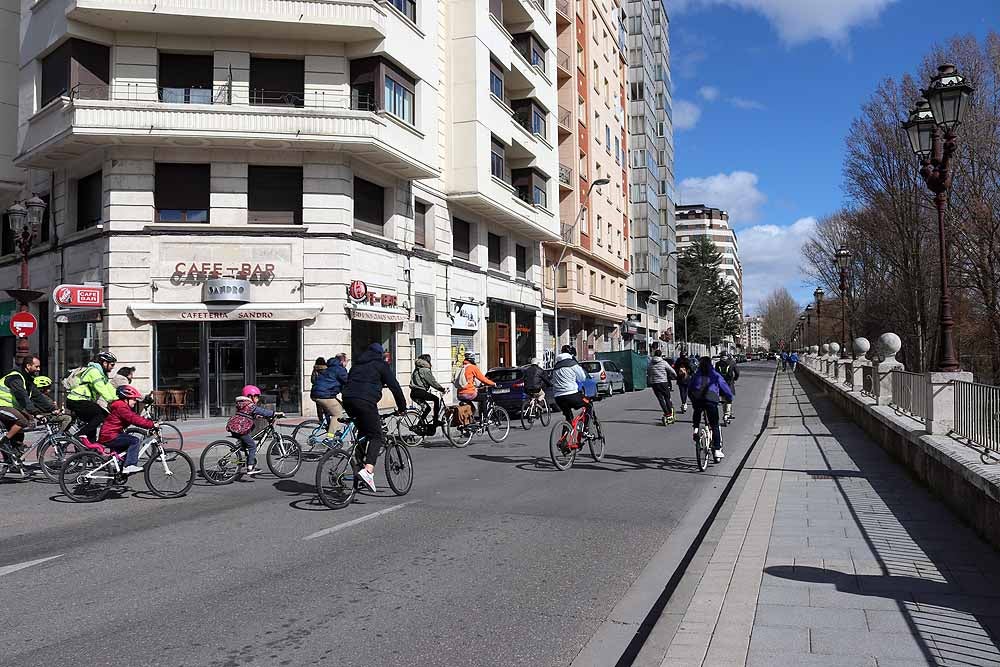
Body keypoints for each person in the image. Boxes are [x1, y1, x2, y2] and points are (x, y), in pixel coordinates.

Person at [341, 343, 407, 493]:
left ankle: (358, 469)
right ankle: (368, 470)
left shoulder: (356, 365)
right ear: (380, 354)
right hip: (365, 401)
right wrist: (402, 407)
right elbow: (394, 387)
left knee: (363, 433)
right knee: (377, 436)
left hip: (348, 400)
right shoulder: (380, 365)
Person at [0, 356, 57, 460]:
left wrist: (52, 409)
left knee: (25, 425)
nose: (39, 369)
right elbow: (22, 397)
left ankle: (13, 458)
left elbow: (37, 396)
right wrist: (35, 412)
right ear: (28, 366)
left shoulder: (28, 379)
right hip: (2, 405)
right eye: (37, 366)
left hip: (10, 406)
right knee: (22, 421)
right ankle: (3, 441)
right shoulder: (15, 378)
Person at [98, 385, 155, 476]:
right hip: (110, 436)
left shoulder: (121, 406)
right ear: (126, 399)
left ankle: (116, 467)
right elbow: (133, 419)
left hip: (110, 434)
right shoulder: (121, 407)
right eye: (133, 399)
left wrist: (145, 422)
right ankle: (129, 465)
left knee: (124, 448)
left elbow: (132, 418)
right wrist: (151, 424)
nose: (135, 401)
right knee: (134, 441)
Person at [229, 385, 283, 477]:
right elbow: (261, 411)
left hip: (235, 427)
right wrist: (274, 413)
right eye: (257, 397)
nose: (258, 399)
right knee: (252, 446)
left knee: (247, 441)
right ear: (250, 396)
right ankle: (250, 467)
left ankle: (244, 452)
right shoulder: (250, 405)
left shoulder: (242, 404)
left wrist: (258, 416)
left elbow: (247, 415)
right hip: (241, 429)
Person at [66, 351, 118, 444]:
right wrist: (111, 401)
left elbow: (108, 387)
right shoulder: (94, 372)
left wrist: (118, 399)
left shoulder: (101, 373)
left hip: (81, 400)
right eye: (112, 365)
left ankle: (91, 452)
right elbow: (101, 388)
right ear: (104, 363)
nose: (112, 367)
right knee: (101, 415)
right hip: (77, 400)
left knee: (92, 423)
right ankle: (78, 436)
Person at [689, 356, 734, 460]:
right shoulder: (715, 375)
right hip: (711, 399)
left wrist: (692, 400)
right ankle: (717, 449)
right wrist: (729, 398)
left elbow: (690, 388)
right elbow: (725, 388)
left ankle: (696, 429)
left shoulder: (696, 375)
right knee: (715, 425)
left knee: (697, 411)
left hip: (697, 398)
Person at [550, 345, 590, 442]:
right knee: (589, 404)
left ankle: (563, 442)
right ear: (571, 354)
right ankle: (585, 430)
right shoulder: (572, 363)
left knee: (569, 418)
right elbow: (582, 378)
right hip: (571, 394)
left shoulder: (556, 365)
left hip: (558, 397)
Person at [311, 353, 349, 429]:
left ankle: (333, 427)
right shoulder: (340, 370)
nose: (347, 363)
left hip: (318, 393)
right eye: (347, 360)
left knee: (341, 406)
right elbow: (348, 382)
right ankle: (330, 437)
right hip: (324, 395)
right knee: (338, 414)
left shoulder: (330, 368)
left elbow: (341, 385)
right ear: (342, 361)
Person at [455, 352, 496, 419]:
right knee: (484, 398)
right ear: (472, 359)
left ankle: (469, 422)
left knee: (472, 408)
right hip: (469, 393)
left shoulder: (461, 367)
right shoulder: (472, 367)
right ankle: (485, 419)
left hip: (459, 394)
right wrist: (493, 384)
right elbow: (483, 379)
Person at [411, 353, 446, 426]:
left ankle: (420, 424)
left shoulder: (416, 369)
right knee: (436, 399)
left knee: (427, 408)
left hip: (413, 393)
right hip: (420, 391)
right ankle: (436, 421)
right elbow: (432, 382)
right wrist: (441, 389)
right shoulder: (425, 370)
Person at [646, 349, 678, 425]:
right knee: (667, 397)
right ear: (660, 355)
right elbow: (671, 370)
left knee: (660, 399)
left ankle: (666, 413)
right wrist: (676, 376)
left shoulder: (650, 363)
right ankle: (670, 413)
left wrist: (650, 380)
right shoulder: (663, 363)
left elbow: (648, 372)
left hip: (655, 383)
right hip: (663, 382)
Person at [714, 352, 740, 423]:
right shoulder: (732, 362)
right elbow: (737, 372)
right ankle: (727, 414)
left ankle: (725, 413)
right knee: (729, 399)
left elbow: (715, 374)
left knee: (723, 399)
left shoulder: (717, 364)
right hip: (729, 383)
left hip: (721, 383)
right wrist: (734, 379)